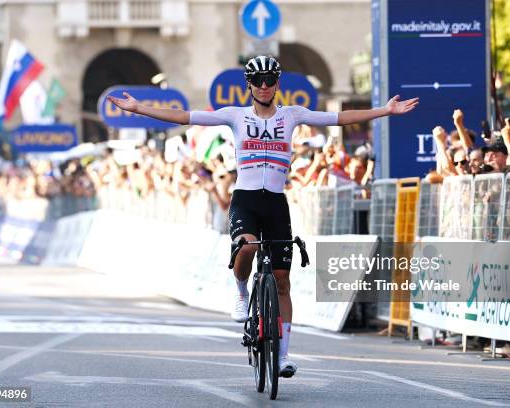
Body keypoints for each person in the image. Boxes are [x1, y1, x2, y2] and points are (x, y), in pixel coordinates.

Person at [108, 55, 418, 378]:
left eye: (271, 80)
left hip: (276, 204)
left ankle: (283, 355)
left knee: (283, 282)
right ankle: (241, 293)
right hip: (245, 200)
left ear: (277, 84)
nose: (266, 86)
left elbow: (338, 118)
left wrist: (385, 110)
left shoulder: (292, 115)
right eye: (259, 81)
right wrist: (138, 109)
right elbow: (184, 116)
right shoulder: (235, 116)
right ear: (250, 85)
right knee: (248, 247)